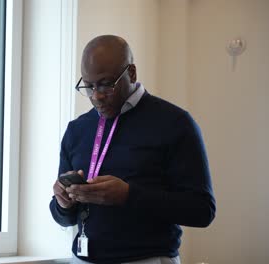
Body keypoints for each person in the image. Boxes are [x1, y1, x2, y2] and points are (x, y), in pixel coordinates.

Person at [49, 35, 216, 264]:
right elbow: (64, 218)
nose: (96, 95)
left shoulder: (175, 123)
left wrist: (129, 196)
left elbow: (202, 210)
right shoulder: (77, 130)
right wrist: (62, 203)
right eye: (88, 86)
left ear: (132, 73)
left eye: (106, 84)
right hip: (82, 259)